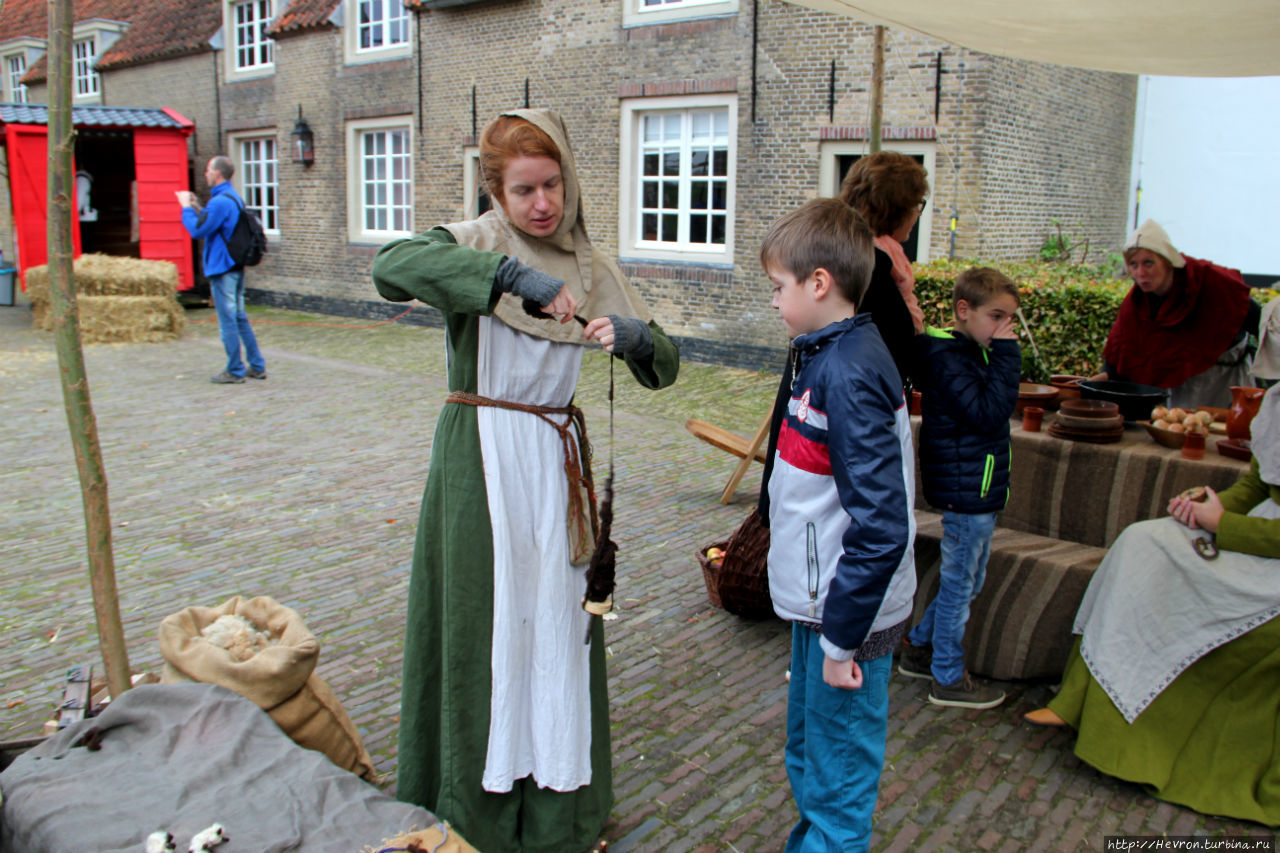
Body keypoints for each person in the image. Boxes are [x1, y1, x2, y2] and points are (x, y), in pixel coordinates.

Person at [370, 109, 679, 853]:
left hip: (554, 464)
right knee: (485, 622)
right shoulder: (474, 244)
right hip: (480, 456)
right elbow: (390, 267)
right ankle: (471, 812)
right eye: (522, 190)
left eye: (551, 184)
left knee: (558, 626)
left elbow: (665, 365)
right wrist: (506, 275)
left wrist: (636, 338)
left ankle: (555, 812)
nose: (541, 203)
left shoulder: (592, 264)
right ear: (496, 193)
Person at [1024, 385, 1280, 827]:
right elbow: (1257, 485)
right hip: (1254, 537)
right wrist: (1202, 509)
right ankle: (1079, 698)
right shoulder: (1277, 401)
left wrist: (1225, 526)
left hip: (1269, 559)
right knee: (1145, 541)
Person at [762, 197, 917, 852]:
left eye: (778, 286)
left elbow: (882, 525)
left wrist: (841, 642)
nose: (773, 301)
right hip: (822, 607)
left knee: (840, 775)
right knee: (812, 755)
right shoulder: (827, 353)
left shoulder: (847, 372)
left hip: (845, 620)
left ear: (819, 283)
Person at [758, 152, 929, 523]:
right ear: (898, 207)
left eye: (778, 289)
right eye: (918, 205)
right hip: (825, 516)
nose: (775, 301)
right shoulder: (871, 277)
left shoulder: (861, 268)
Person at [897, 267, 1021, 709]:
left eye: (1010, 319)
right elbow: (989, 412)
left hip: (977, 486)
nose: (1005, 328)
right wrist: (1007, 355)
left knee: (968, 579)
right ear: (964, 311)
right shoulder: (950, 357)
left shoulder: (969, 351)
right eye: (997, 316)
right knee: (958, 583)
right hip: (967, 492)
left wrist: (997, 351)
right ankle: (946, 676)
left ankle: (917, 647)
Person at [1096, 219, 1259, 409]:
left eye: (1148, 263)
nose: (1140, 272)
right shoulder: (1137, 303)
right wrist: (1096, 386)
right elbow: (1122, 351)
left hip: (1225, 382)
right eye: (1133, 264)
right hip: (1181, 389)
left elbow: (1261, 323)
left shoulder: (1212, 282)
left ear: (1166, 261)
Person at [178, 156, 267, 385]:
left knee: (227, 319)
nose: (205, 174)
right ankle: (256, 365)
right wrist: (199, 208)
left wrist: (187, 208)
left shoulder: (220, 202)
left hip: (222, 267)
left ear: (217, 173)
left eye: (208, 170)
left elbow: (197, 231)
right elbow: (214, 222)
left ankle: (235, 369)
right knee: (239, 317)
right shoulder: (231, 197)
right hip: (235, 266)